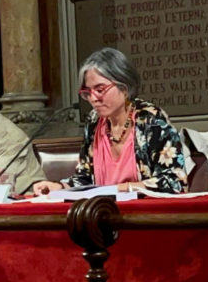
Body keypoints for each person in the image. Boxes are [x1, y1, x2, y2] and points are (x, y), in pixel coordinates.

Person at [33, 47, 187, 195]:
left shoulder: (151, 120)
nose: (93, 99)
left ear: (124, 87)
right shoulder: (94, 121)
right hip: (102, 214)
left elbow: (175, 182)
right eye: (88, 92)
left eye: (100, 90)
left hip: (145, 216)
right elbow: (85, 179)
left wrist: (122, 189)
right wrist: (59, 186)